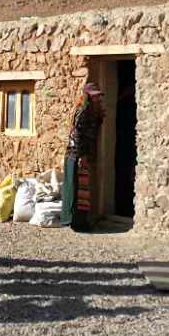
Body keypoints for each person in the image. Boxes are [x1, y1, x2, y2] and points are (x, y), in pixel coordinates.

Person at [62, 82, 104, 232]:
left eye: (98, 96)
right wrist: (82, 155)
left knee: (83, 190)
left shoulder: (93, 111)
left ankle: (81, 221)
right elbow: (77, 134)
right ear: (88, 96)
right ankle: (75, 222)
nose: (97, 98)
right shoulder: (83, 110)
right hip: (76, 155)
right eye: (94, 96)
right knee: (76, 190)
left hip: (83, 154)